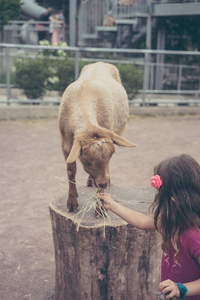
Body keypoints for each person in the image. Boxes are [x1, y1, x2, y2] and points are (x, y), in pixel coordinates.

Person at [97, 154, 200, 300]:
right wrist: (113, 205)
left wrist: (181, 289)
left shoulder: (194, 236)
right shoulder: (173, 219)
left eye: (160, 193)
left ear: (173, 197)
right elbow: (144, 222)